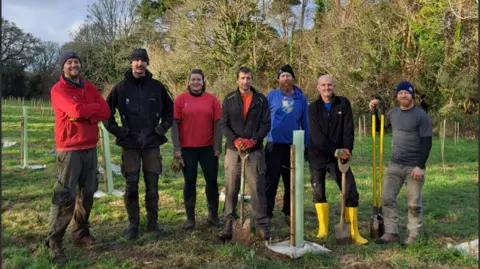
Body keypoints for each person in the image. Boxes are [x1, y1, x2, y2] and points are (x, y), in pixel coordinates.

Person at [45, 49, 110, 265]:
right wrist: (88, 113)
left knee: (88, 193)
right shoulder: (58, 90)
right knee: (65, 197)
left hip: (90, 148)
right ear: (63, 67)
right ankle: (54, 242)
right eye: (69, 63)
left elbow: (105, 110)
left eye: (76, 62)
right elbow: (75, 110)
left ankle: (80, 233)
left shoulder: (89, 87)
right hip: (70, 148)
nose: (74, 66)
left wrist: (84, 113)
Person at [103, 48, 174, 240]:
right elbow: (105, 111)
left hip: (152, 143)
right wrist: (117, 130)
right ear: (130, 63)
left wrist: (162, 128)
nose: (139, 64)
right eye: (136, 60)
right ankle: (133, 225)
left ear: (147, 64)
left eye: (143, 60)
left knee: (153, 186)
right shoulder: (120, 88)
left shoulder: (157, 87)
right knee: (131, 186)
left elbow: (170, 111)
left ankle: (153, 224)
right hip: (130, 144)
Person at [369, 81, 432, 245]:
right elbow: (378, 128)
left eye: (407, 92)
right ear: (397, 96)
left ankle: (414, 235)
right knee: (387, 198)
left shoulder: (421, 115)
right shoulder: (393, 113)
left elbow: (427, 142)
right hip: (395, 165)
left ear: (412, 95)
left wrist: (421, 166)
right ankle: (391, 232)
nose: (403, 95)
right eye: (400, 93)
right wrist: (373, 111)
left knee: (413, 203)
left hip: (413, 167)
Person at [308, 74, 368, 245]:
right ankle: (323, 230)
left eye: (330, 85)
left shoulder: (343, 103)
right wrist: (335, 151)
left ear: (334, 86)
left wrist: (346, 150)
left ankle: (354, 232)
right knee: (318, 192)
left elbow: (348, 130)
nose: (327, 88)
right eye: (323, 85)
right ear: (318, 87)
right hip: (318, 156)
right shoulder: (313, 108)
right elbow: (317, 136)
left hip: (340, 157)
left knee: (351, 191)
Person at [217, 66, 272, 240]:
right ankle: (229, 223)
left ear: (251, 79)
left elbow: (266, 124)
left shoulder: (261, 100)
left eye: (248, 78)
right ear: (237, 80)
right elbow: (223, 124)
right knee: (231, 186)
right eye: (242, 78)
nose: (245, 81)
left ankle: (262, 224)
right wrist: (235, 140)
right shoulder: (229, 99)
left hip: (254, 150)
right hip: (234, 150)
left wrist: (253, 139)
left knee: (256, 187)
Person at [170, 69, 223, 230]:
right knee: (190, 182)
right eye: (193, 79)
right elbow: (174, 125)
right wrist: (176, 148)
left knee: (212, 182)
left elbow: (218, 124)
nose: (196, 82)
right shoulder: (180, 100)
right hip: (187, 149)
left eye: (198, 79)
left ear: (203, 81)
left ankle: (213, 216)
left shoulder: (212, 100)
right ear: (188, 81)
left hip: (208, 148)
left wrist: (217, 145)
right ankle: (190, 219)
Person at [265, 64, 309, 222]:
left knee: (291, 181)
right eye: (282, 76)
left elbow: (305, 122)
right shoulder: (271, 96)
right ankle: (267, 212)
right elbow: (263, 119)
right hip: (273, 144)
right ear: (278, 79)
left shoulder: (301, 98)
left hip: (293, 145)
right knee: (271, 180)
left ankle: (289, 211)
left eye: (288, 75)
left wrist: (306, 146)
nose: (285, 78)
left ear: (293, 78)